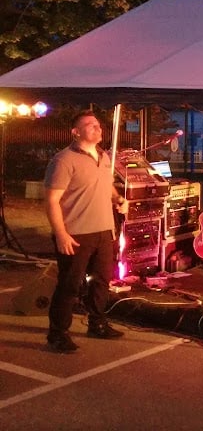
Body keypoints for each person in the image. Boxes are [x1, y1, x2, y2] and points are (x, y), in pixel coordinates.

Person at [44, 110, 127, 352]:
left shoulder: (103, 156)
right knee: (69, 285)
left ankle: (97, 323)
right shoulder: (63, 160)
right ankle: (57, 334)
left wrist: (118, 199)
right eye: (90, 125)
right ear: (75, 132)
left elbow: (107, 186)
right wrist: (61, 234)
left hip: (104, 231)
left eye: (98, 125)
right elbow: (51, 201)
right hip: (76, 234)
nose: (97, 128)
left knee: (101, 281)